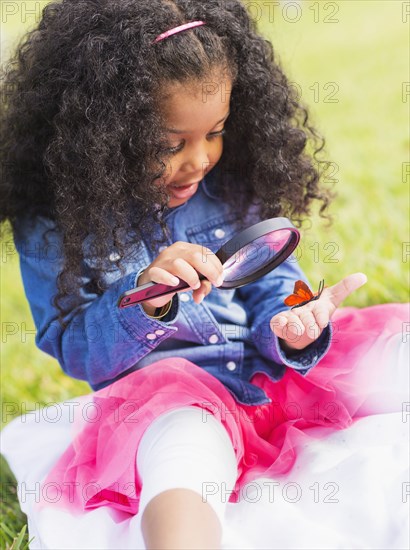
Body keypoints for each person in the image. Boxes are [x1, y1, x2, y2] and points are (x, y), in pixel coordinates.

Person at [0, 1, 408, 548]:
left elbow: (270, 282)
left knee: (391, 354)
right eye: (171, 144)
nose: (198, 160)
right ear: (99, 133)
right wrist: (144, 300)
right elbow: (73, 346)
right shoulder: (58, 221)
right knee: (183, 455)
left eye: (214, 132)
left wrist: (292, 322)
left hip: (272, 373)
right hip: (171, 399)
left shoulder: (231, 184)